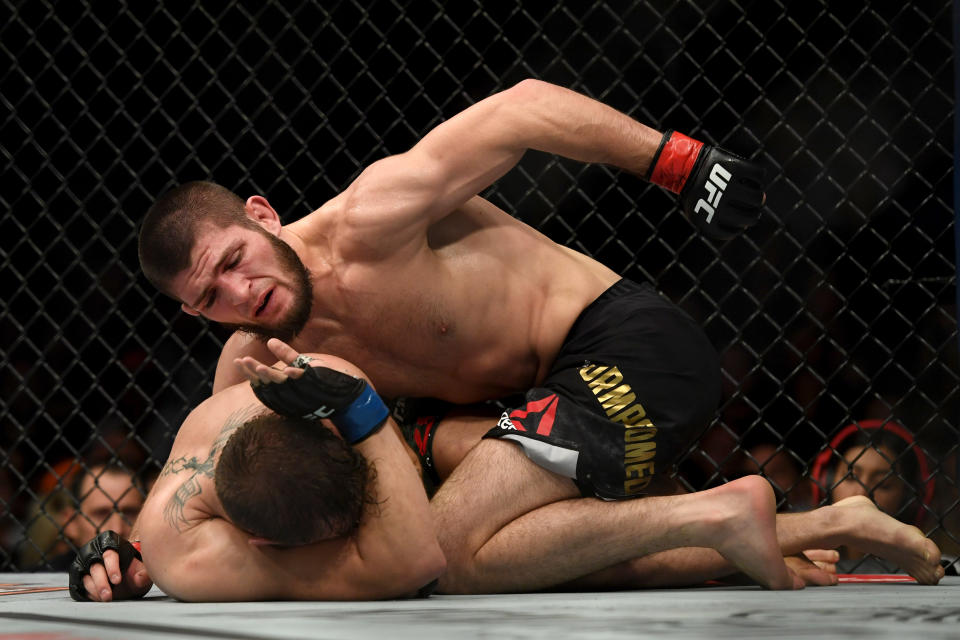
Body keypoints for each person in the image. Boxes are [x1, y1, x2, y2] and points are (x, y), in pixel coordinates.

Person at [137, 79, 766, 505]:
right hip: (533, 411)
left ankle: (725, 521)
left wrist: (680, 164)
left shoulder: (370, 221)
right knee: (424, 471)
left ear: (262, 216)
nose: (239, 294)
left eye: (234, 261)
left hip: (620, 345)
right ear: (194, 313)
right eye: (210, 298)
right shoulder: (256, 359)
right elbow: (195, 467)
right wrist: (132, 552)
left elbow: (521, 108)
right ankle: (743, 527)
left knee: (455, 543)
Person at [74, 341, 944, 602]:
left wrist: (363, 412)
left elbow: (419, 557)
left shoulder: (255, 413)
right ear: (263, 538)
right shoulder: (195, 557)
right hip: (381, 431)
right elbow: (409, 554)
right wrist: (364, 407)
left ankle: (722, 520)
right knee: (520, 553)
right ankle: (825, 522)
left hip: (411, 433)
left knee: (474, 559)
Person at [810, 419, 936, 572]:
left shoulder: (937, 566)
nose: (862, 494)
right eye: (850, 477)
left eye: (882, 484)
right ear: (827, 482)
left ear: (907, 497)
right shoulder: (798, 560)